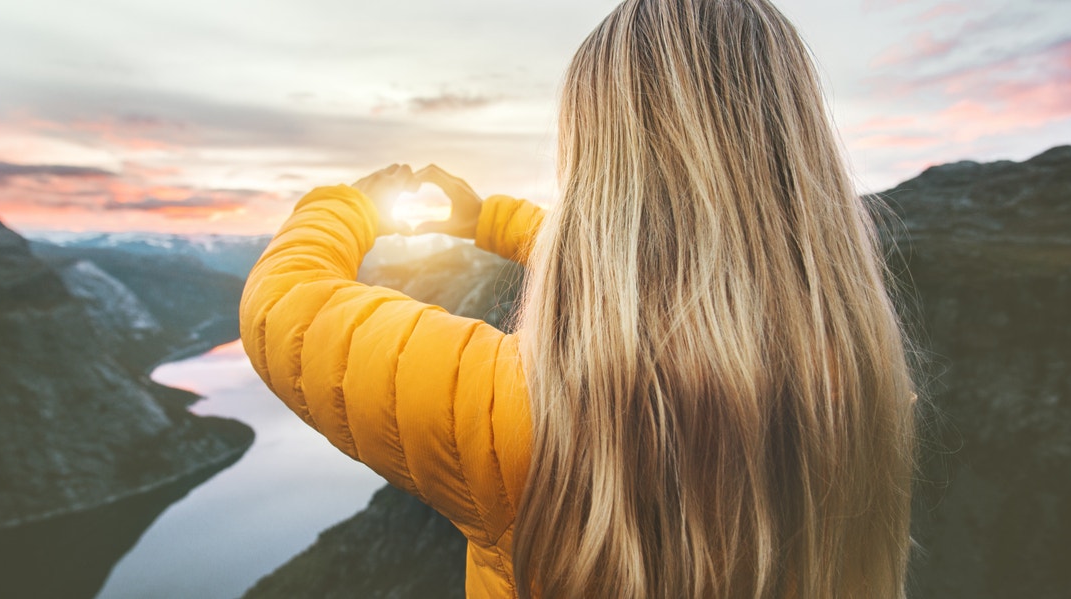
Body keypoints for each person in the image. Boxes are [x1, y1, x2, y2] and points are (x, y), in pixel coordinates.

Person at [239, 0, 919, 597]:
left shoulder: (516, 418)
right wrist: (492, 221)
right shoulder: (858, 389)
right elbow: (668, 281)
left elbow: (282, 304)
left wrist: (350, 205)